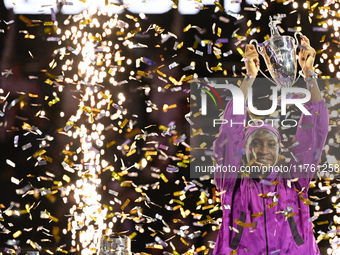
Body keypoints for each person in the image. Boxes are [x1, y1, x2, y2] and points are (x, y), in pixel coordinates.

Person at [213, 35, 329, 254]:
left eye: (270, 145)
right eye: (255, 144)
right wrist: (249, 78)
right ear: (244, 150)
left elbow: (316, 129)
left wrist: (309, 76)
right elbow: (230, 130)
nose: (263, 150)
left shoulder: (295, 180)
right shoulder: (231, 183)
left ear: (279, 151)